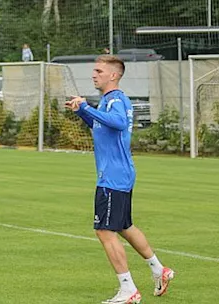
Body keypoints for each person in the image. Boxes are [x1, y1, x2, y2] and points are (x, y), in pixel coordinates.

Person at [66, 55, 174, 303]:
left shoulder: (116, 99)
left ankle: (128, 290)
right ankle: (159, 270)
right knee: (124, 226)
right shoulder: (107, 101)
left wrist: (86, 107)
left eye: (99, 71)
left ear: (113, 75)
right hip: (119, 173)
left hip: (113, 176)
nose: (94, 75)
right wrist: (82, 112)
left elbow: (117, 123)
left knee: (104, 230)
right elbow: (101, 128)